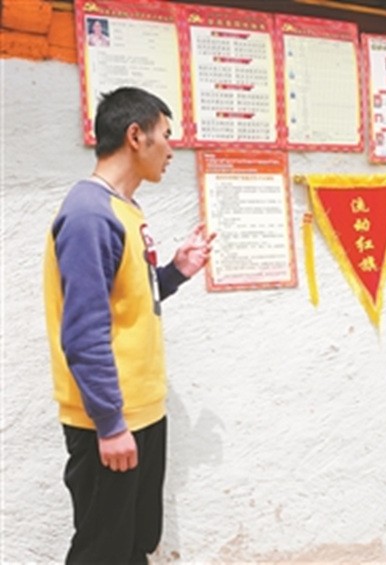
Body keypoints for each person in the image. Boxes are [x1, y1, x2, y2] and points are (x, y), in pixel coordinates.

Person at [43, 87, 216, 564]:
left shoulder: (123, 209)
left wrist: (176, 271)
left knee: (135, 541)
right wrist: (110, 423)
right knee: (102, 550)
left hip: (140, 413)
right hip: (112, 420)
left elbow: (129, 298)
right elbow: (84, 332)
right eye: (166, 134)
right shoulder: (89, 214)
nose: (172, 149)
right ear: (136, 136)